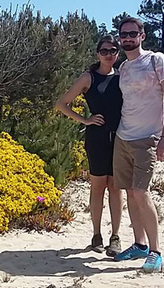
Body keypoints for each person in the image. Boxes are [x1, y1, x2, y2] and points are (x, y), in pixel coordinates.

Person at [112, 17, 164, 272]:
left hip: (148, 138)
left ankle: (155, 251)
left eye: (132, 33)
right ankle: (139, 245)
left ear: (142, 35)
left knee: (141, 192)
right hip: (123, 137)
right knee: (130, 192)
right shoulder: (124, 68)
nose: (127, 38)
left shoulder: (156, 60)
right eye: (123, 34)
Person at [56, 35, 124, 257]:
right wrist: (85, 120)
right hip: (96, 138)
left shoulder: (124, 76)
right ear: (97, 53)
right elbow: (61, 104)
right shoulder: (89, 78)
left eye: (112, 51)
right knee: (98, 187)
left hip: (121, 137)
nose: (108, 55)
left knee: (116, 187)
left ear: (117, 53)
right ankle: (96, 235)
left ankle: (115, 236)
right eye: (104, 51)